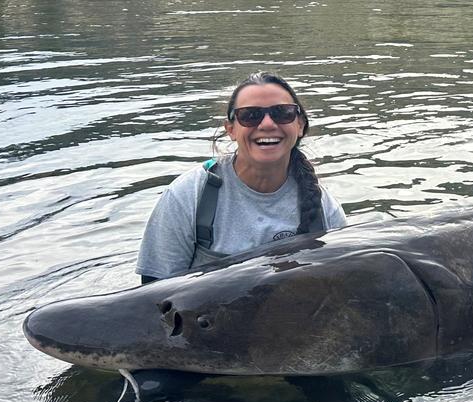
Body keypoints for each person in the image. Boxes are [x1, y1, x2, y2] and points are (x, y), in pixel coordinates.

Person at [137, 71, 347, 283]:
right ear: (231, 129)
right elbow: (151, 294)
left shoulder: (325, 209)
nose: (267, 124)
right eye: (250, 115)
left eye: (283, 113)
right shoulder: (188, 195)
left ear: (300, 125)